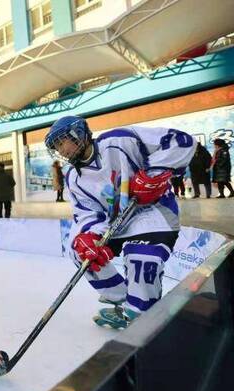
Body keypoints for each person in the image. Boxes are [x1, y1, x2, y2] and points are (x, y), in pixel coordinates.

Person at [45, 116, 195, 329]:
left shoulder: (119, 141)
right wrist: (90, 235)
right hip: (117, 223)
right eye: (57, 147)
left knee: (141, 259)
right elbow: (87, 214)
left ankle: (141, 312)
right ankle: (125, 301)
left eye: (62, 142)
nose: (61, 150)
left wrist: (155, 173)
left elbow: (181, 140)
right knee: (80, 250)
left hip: (152, 214)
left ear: (77, 134)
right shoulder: (73, 178)